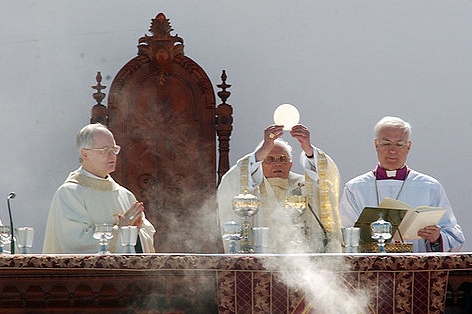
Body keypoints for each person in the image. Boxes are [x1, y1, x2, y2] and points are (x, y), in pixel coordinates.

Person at [340, 116, 464, 252]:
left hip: (417, 270)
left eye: (399, 144)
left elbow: (454, 237)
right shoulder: (356, 188)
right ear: (376, 144)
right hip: (371, 270)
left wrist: (437, 238)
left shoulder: (429, 186)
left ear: (408, 146)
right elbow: (344, 236)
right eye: (386, 143)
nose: (392, 150)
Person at [217, 124, 342, 253]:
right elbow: (230, 182)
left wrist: (309, 151)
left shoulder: (304, 187)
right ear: (260, 163)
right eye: (269, 159)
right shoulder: (251, 188)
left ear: (290, 164)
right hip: (260, 262)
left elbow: (327, 180)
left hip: (302, 262)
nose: (277, 163)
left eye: (283, 159)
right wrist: (262, 151)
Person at [43, 123, 156, 253]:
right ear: (85, 154)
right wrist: (120, 231)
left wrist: (136, 232)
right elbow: (74, 243)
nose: (112, 155)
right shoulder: (69, 194)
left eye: (114, 149)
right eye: (105, 150)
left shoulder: (125, 195)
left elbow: (147, 233)